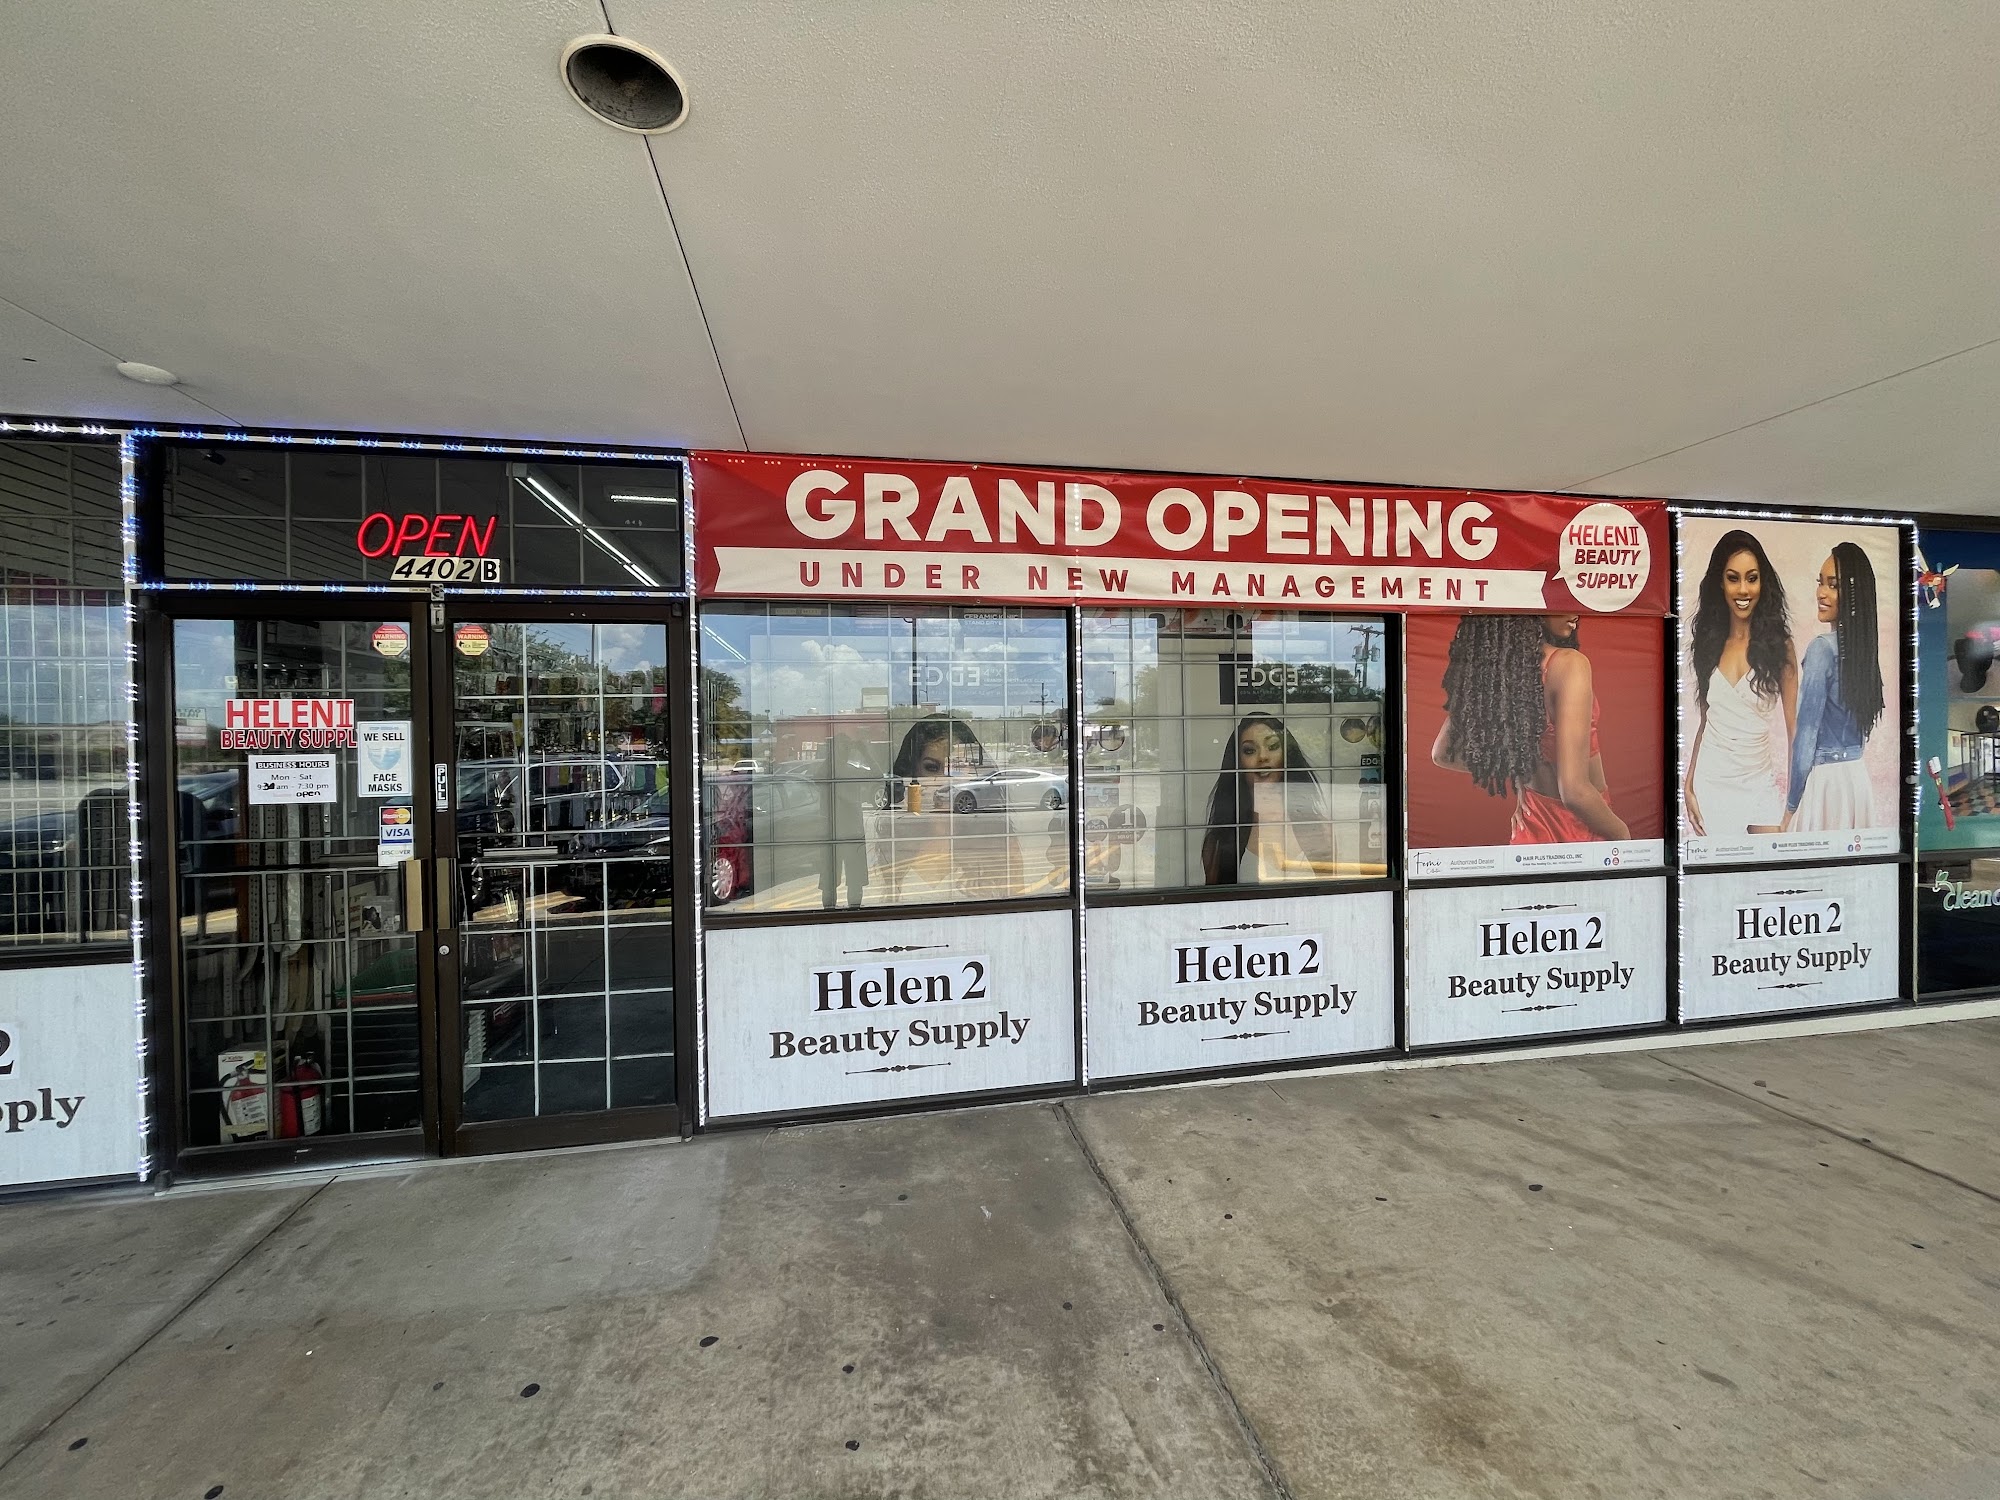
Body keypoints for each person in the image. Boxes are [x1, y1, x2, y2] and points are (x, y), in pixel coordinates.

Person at [1432, 613, 1629, 843]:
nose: (1574, 613)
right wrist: (1621, 834)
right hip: (1584, 828)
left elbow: (1442, 754)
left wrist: (1519, 774)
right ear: (1529, 610)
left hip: (1532, 827)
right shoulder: (1569, 664)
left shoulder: (1498, 675)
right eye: (1561, 604)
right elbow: (1574, 792)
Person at [1685, 530, 1796, 839]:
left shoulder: (1780, 646)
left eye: (1752, 578)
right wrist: (1689, 783)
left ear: (1763, 582)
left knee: (1770, 867)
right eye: (1733, 578)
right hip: (1710, 782)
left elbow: (1794, 730)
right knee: (1719, 870)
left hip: (1759, 780)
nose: (1743, 589)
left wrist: (1793, 802)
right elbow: (1706, 721)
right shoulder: (1708, 642)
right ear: (1720, 583)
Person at [1786, 542, 1884, 830]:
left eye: (1833, 585)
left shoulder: (1822, 649)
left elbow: (1806, 736)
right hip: (1857, 780)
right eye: (1821, 583)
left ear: (1852, 594)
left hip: (1826, 784)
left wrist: (1791, 806)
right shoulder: (1864, 653)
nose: (1821, 593)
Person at [1200, 714, 1335, 883]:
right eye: (1250, 750)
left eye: (1272, 746)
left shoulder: (1320, 828)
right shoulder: (1219, 840)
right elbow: (1216, 895)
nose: (1263, 756)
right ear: (1238, 762)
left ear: (1286, 756)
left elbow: (1331, 890)